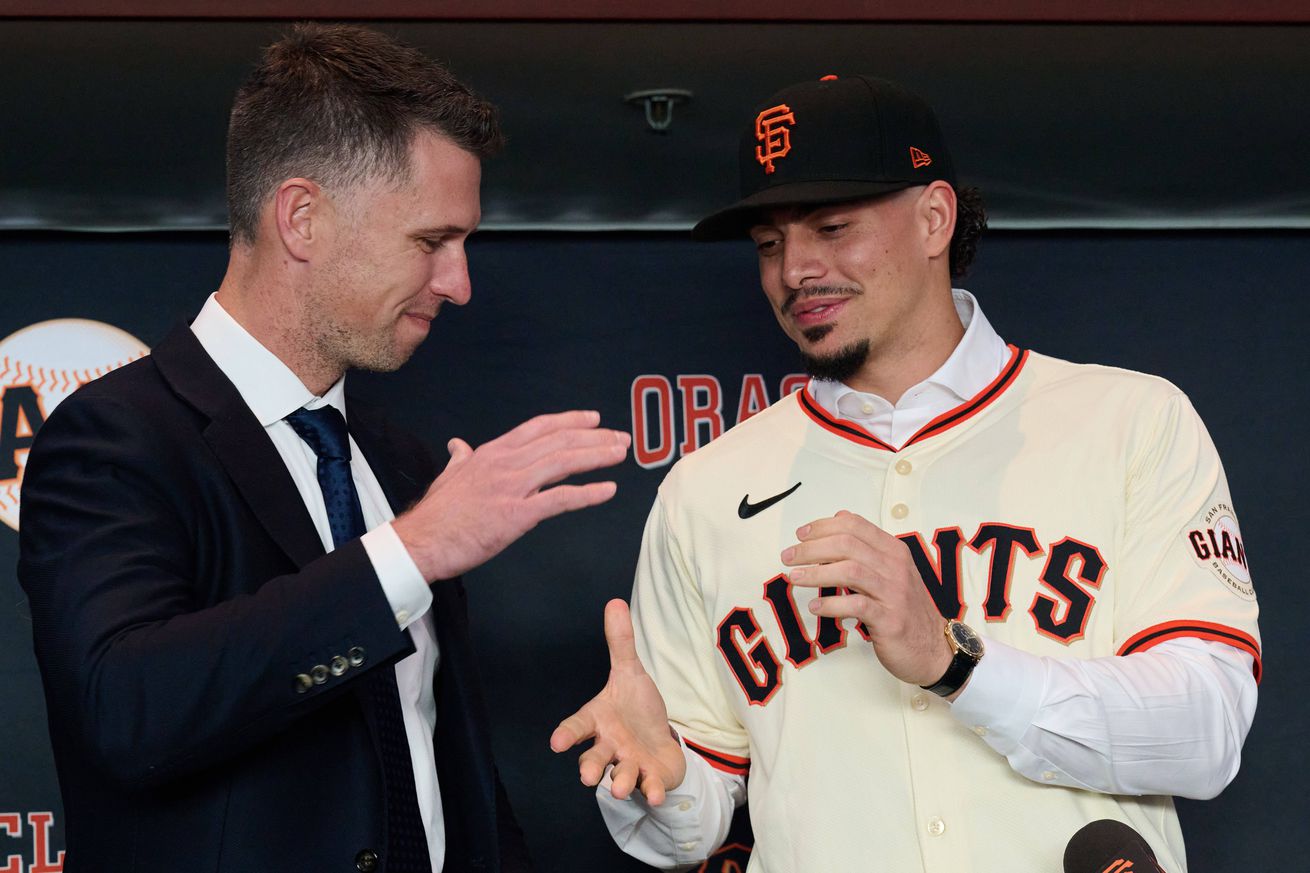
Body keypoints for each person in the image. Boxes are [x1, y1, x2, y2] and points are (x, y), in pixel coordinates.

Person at [552, 75, 1260, 871]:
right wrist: (663, 783)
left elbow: (1206, 730)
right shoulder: (705, 488)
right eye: (770, 245)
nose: (795, 271)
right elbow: (696, 823)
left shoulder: (1130, 420)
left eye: (831, 226)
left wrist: (958, 664)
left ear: (934, 218)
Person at [18, 23, 630, 873]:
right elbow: (128, 711)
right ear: (302, 217)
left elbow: (444, 775)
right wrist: (408, 552)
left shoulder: (404, 466)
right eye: (431, 242)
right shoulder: (117, 436)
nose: (460, 284)